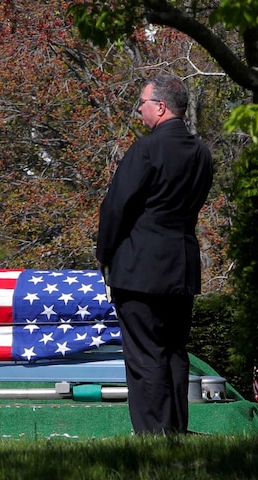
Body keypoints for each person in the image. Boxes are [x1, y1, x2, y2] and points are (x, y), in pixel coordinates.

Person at [96, 73, 213, 435]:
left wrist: (105, 253)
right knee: (174, 351)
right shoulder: (202, 154)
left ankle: (152, 435)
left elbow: (116, 207)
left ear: (161, 107)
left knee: (145, 354)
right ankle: (175, 429)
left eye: (142, 105)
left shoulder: (145, 149)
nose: (140, 112)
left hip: (140, 267)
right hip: (181, 265)